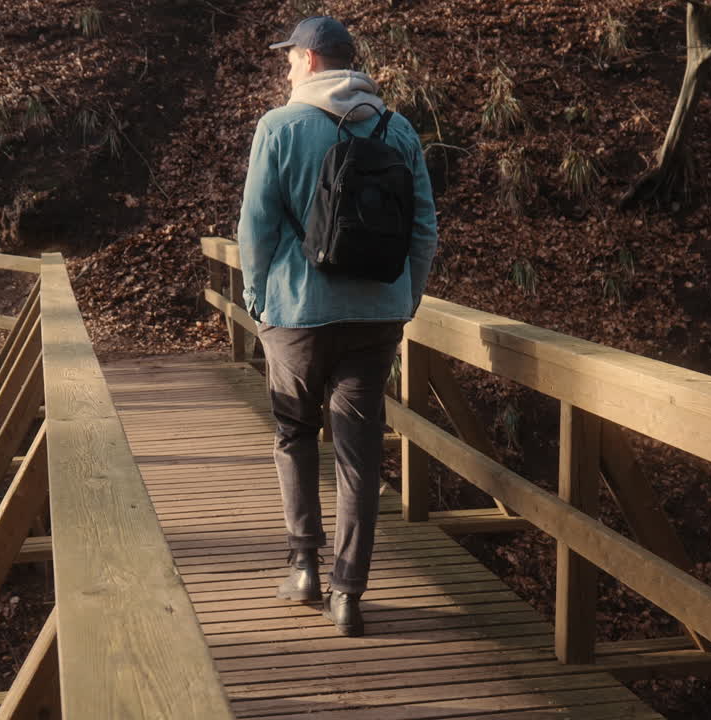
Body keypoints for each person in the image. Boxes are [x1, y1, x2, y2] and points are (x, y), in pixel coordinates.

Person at [236, 15, 439, 637]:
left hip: (296, 315)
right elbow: (424, 227)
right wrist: (406, 299)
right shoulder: (397, 129)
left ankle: (303, 566)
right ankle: (347, 595)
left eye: (290, 57)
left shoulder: (279, 126)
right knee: (358, 456)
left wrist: (255, 296)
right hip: (376, 315)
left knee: (294, 433)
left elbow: (256, 226)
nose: (286, 67)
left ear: (313, 58)